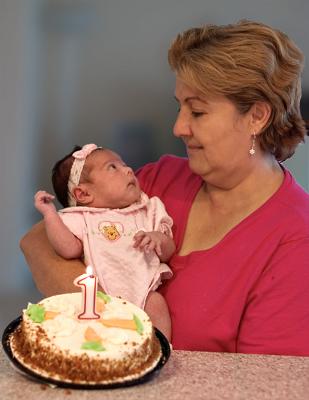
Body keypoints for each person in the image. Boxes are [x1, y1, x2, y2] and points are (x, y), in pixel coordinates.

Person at [21, 20, 309, 356]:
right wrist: (114, 324)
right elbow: (37, 242)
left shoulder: (294, 241)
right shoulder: (159, 180)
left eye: (197, 111)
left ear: (257, 116)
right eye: (179, 106)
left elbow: (264, 384)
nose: (178, 127)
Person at [33, 143, 175, 341]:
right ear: (83, 194)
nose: (128, 169)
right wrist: (49, 214)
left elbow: (168, 251)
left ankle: (160, 354)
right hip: (102, 298)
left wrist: (158, 239)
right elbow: (69, 249)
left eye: (123, 164)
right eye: (112, 167)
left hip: (144, 291)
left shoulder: (147, 208)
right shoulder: (82, 217)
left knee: (157, 305)